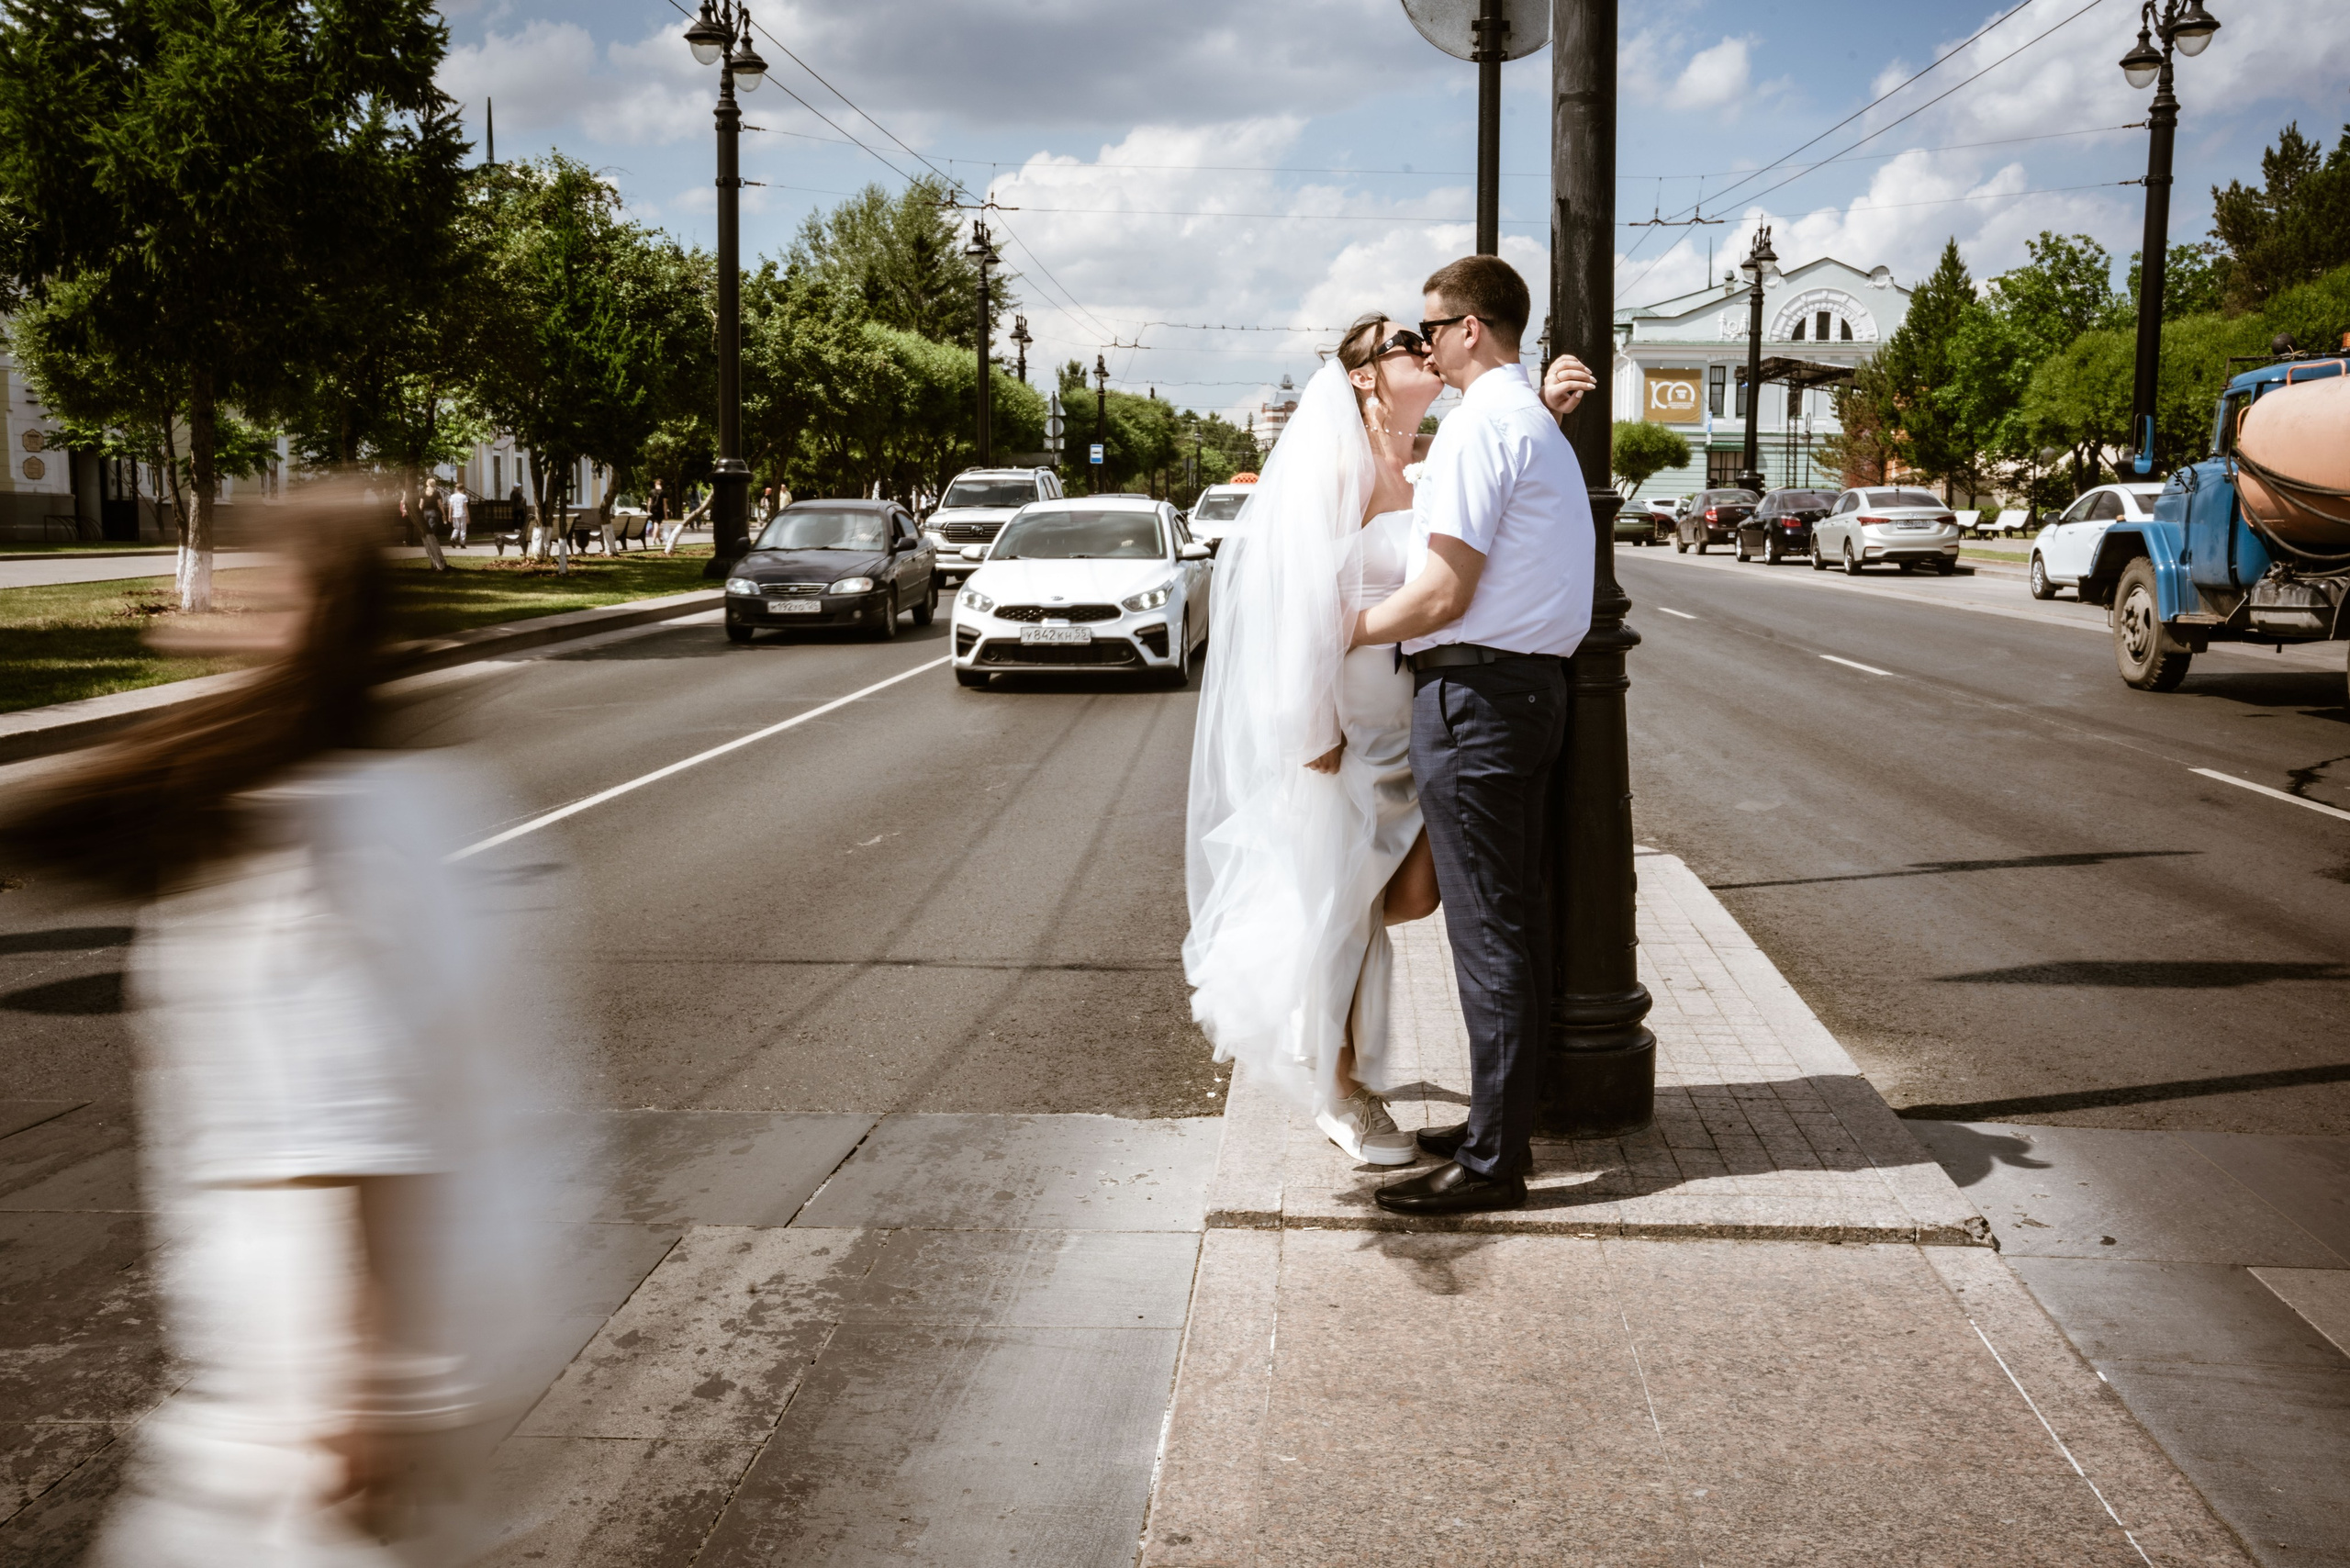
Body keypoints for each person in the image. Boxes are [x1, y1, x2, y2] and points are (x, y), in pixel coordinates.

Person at [0, 485, 558, 1564]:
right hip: (436, 1351)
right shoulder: (428, 799)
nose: (208, 615)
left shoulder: (314, 847)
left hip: (301, 1413)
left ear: (307, 622)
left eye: (251, 596)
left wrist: (357, 1399)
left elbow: (357, 1132)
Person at [1349, 254, 1596, 1215]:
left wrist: (1339, 628)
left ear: (1469, 329)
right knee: (1511, 925)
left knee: (1489, 933)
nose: (1424, 342)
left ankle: (1495, 1160)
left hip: (1475, 700)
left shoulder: (1477, 429)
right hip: (1524, 695)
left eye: (1430, 327)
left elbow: (1441, 594)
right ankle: (1503, 1119)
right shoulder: (1526, 420)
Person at [1184, 312, 1448, 1164]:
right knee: (1339, 911)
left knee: (1400, 898)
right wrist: (1310, 729)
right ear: (1368, 376)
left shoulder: (1421, 465)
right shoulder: (1338, 466)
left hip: (1410, 723)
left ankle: (1334, 1057)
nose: (1424, 349)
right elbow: (1293, 608)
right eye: (1406, 344)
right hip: (1347, 728)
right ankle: (1340, 1091)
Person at [418, 477, 449, 571]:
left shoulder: (423, 492)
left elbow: (421, 505)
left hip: (425, 513)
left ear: (427, 484)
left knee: (426, 531)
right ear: (434, 484)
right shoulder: (436, 493)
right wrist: (444, 514)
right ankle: (433, 548)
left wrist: (419, 514)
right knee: (432, 532)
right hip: (434, 513)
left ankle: (429, 546)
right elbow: (440, 504)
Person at [446, 482, 469, 548]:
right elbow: (465, 507)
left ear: (456, 489)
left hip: (455, 514)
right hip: (462, 514)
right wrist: (468, 516)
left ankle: (453, 538)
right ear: (463, 489)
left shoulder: (452, 496)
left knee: (456, 528)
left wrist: (449, 515)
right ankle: (462, 543)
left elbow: (450, 506)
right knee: (463, 529)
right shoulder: (464, 497)